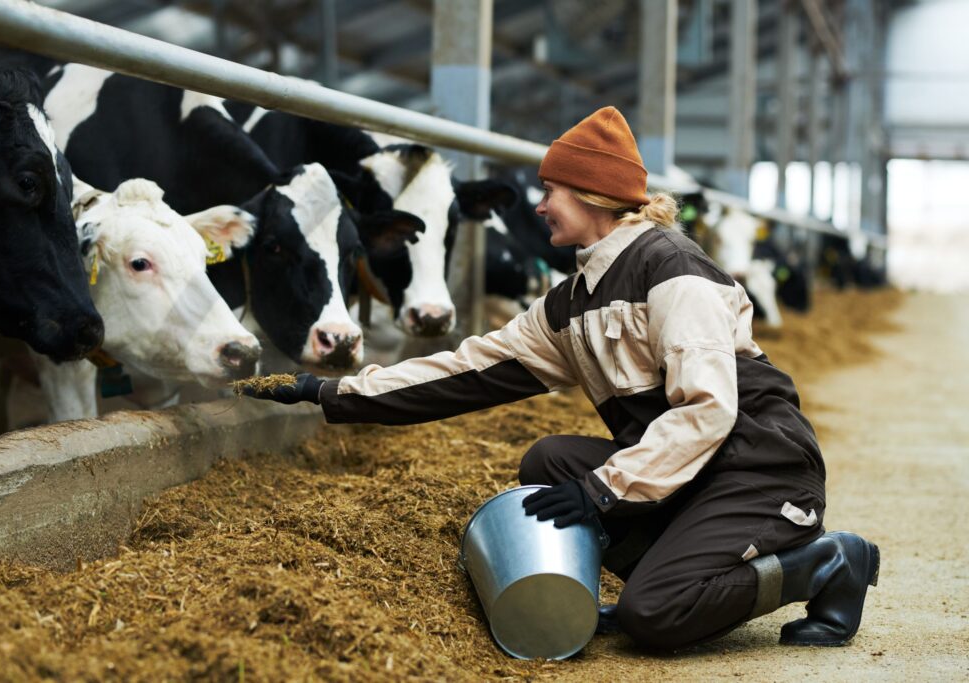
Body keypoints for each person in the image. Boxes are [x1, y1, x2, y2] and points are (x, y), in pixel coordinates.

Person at [239, 107, 880, 651]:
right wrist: (331, 392)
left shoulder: (673, 268)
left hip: (757, 468)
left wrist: (606, 490)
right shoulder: (570, 302)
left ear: (594, 193)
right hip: (689, 473)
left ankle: (823, 563)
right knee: (550, 459)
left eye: (553, 191)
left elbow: (708, 410)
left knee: (651, 616)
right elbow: (468, 368)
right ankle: (675, 570)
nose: (539, 205)